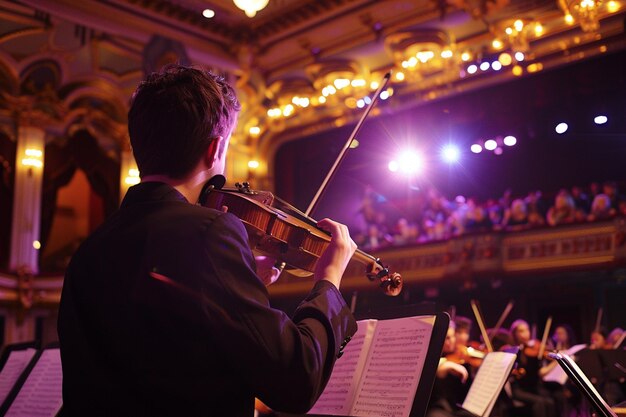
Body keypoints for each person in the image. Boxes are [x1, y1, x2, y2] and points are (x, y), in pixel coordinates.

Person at [57, 65, 358, 417]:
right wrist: (329, 281)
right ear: (215, 149)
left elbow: (160, 347)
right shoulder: (211, 231)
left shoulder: (90, 249)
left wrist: (234, 284)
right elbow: (296, 379)